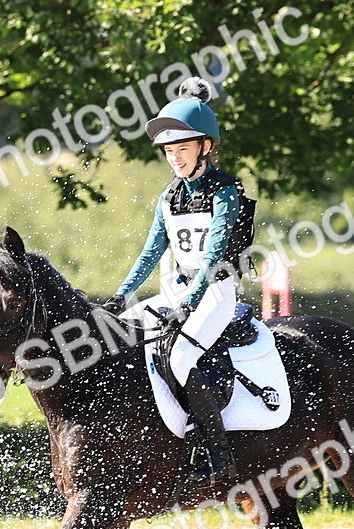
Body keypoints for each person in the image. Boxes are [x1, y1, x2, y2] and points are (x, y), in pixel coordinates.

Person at [103, 76, 246, 487]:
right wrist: (120, 298)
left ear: (206, 147)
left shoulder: (225, 191)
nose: (175, 158)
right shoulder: (168, 197)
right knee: (117, 337)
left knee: (181, 358)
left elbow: (215, 255)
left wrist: (189, 304)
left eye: (182, 149)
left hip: (215, 292)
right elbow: (150, 254)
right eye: (169, 151)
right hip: (177, 289)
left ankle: (217, 456)